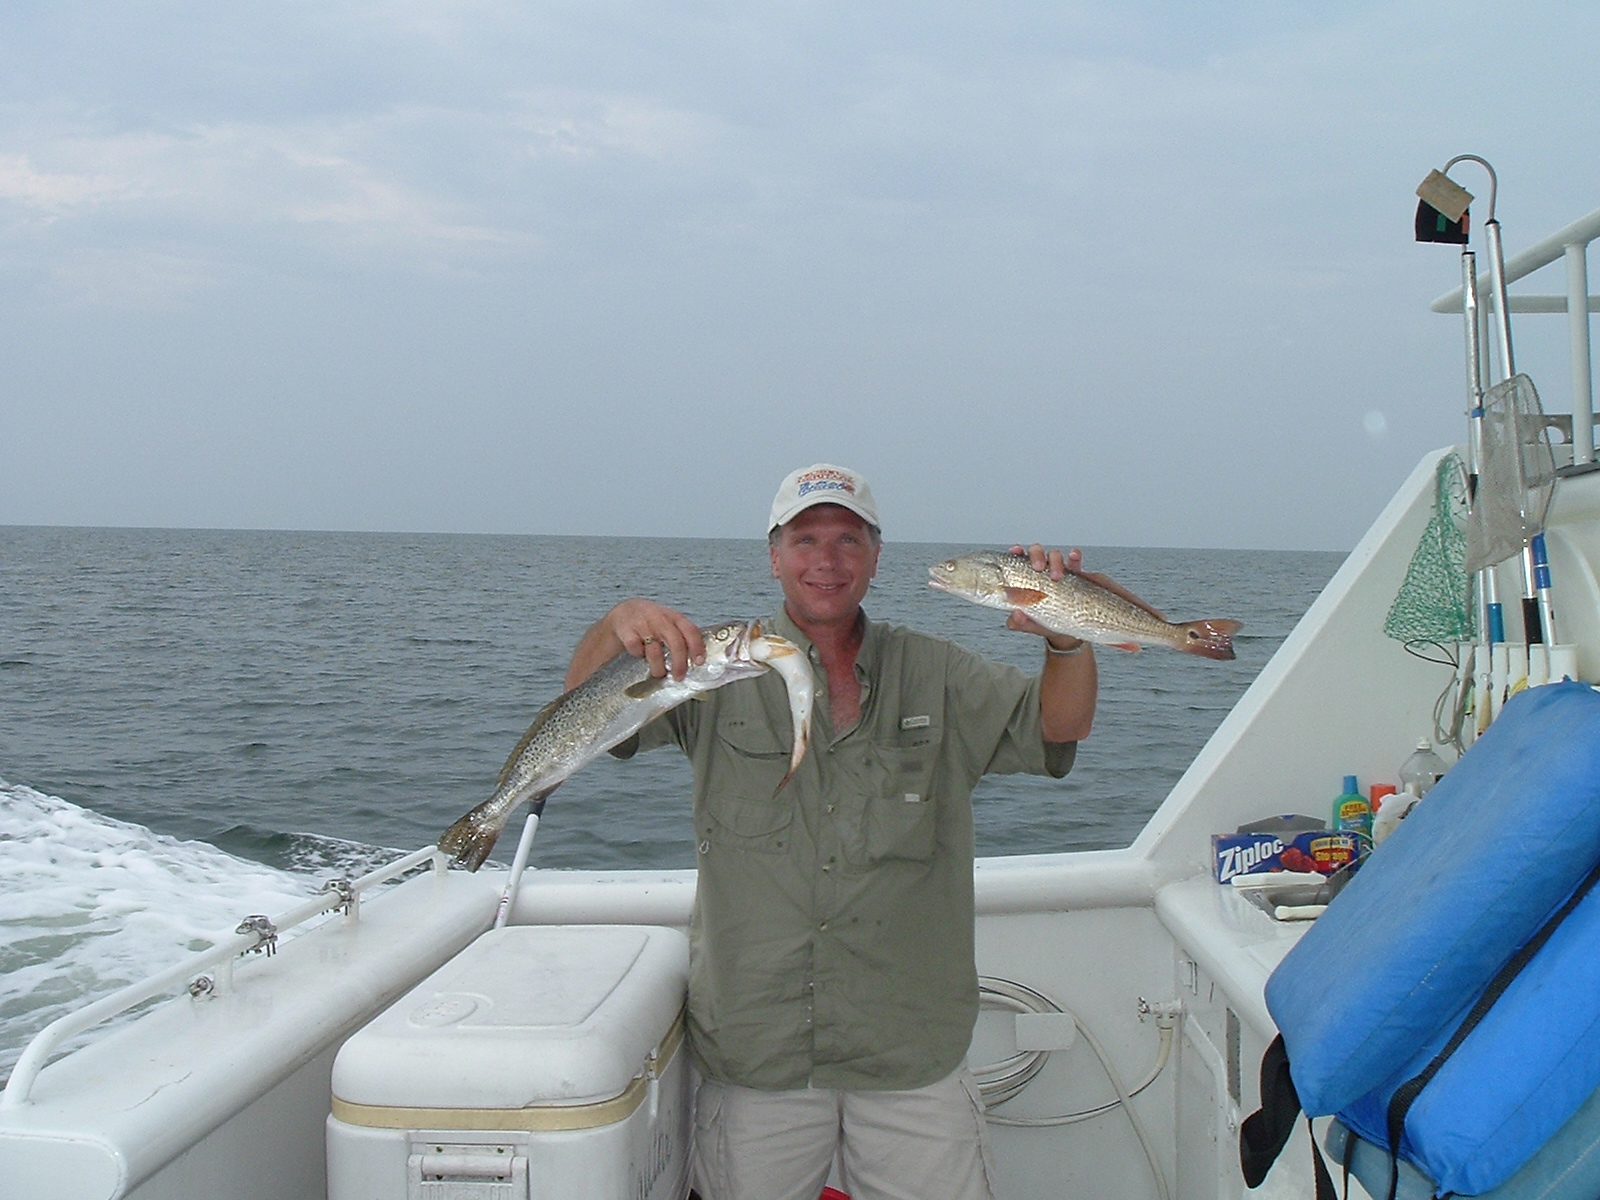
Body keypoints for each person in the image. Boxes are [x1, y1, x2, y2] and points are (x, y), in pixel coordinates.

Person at [564, 463, 1149, 1200]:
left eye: (848, 539)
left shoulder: (937, 670)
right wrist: (615, 624)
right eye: (804, 540)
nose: (827, 560)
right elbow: (583, 721)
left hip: (910, 1050)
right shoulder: (713, 666)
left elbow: (1058, 727)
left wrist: (1067, 638)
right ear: (774, 557)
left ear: (875, 557)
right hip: (757, 1049)